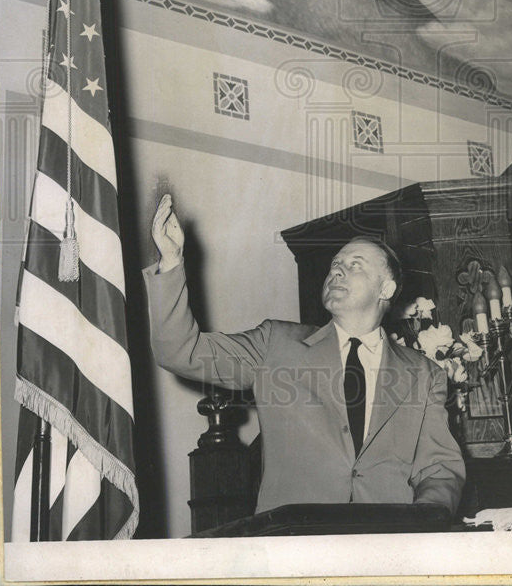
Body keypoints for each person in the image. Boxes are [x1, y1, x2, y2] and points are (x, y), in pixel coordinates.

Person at [144, 194, 465, 516]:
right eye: (335, 265)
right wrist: (171, 262)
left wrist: (423, 522)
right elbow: (180, 351)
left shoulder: (424, 374)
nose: (338, 272)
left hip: (386, 543)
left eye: (355, 265)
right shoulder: (275, 345)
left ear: (386, 290)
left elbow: (439, 467)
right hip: (294, 544)